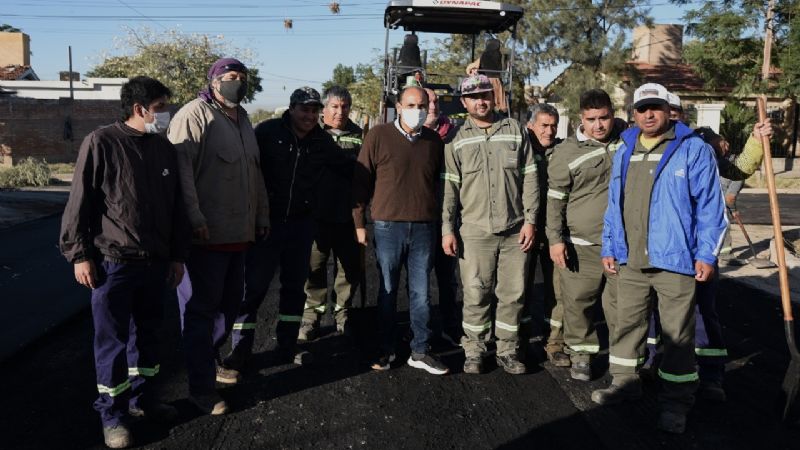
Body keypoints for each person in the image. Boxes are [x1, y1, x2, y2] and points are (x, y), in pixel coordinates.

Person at [60, 76, 190, 448]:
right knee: (112, 342)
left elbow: (176, 207)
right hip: (112, 264)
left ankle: (143, 400)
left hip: (155, 263)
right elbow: (79, 204)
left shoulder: (163, 148)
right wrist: (80, 255)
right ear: (140, 109)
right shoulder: (101, 142)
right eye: (162, 107)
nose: (166, 114)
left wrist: (178, 256)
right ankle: (112, 416)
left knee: (148, 337)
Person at [594, 83, 727, 434]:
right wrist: (610, 246)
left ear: (669, 110)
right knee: (627, 327)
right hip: (630, 260)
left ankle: (676, 402)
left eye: (655, 107)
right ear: (633, 113)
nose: (648, 114)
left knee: (678, 336)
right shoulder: (624, 150)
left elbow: (711, 208)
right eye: (642, 108)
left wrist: (706, 254)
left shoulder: (693, 150)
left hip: (676, 261)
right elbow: (613, 206)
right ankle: (625, 383)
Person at [168, 58, 269, 415]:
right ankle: (200, 388)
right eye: (229, 77)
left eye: (241, 78)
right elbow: (181, 175)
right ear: (213, 81)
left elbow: (254, 175)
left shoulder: (243, 120)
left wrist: (261, 216)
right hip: (204, 238)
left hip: (238, 235)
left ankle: (208, 362)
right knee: (200, 312)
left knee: (228, 309)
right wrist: (194, 217)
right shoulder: (193, 116)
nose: (236, 83)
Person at [223, 87, 347, 372]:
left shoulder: (322, 142)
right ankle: (240, 349)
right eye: (304, 109)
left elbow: (348, 168)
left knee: (294, 289)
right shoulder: (266, 132)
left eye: (315, 110)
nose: (310, 115)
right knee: (252, 289)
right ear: (291, 109)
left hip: (302, 226)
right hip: (266, 225)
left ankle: (287, 345)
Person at [441, 74, 538, 374]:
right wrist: (447, 228)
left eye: (485, 94)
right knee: (475, 293)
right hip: (474, 232)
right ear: (464, 102)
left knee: (513, 294)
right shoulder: (455, 140)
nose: (481, 101)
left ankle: (508, 350)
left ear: (494, 96)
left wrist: (531, 220)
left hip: (514, 231)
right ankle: (475, 350)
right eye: (474, 97)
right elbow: (449, 189)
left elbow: (531, 178)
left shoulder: (516, 131)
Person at [352, 85, 449, 375]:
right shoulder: (378, 136)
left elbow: (439, 185)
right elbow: (361, 182)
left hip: (423, 228)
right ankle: (387, 347)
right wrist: (359, 223)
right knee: (388, 289)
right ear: (398, 105)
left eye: (422, 105)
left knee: (420, 293)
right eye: (411, 105)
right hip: (387, 227)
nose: (417, 111)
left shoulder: (434, 141)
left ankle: (420, 349)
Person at [546, 89, 624, 381]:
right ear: (582, 118)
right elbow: (555, 201)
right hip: (581, 245)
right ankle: (581, 354)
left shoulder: (627, 141)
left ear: (612, 115)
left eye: (604, 118)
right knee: (578, 303)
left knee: (621, 307)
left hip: (620, 244)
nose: (599, 125)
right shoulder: (565, 153)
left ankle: (623, 362)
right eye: (591, 119)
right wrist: (555, 240)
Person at [299, 85, 363, 341]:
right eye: (334, 106)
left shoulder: (360, 135)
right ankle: (311, 319)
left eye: (345, 106)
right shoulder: (311, 135)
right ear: (324, 109)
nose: (340, 112)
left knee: (348, 271)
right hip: (316, 218)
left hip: (348, 218)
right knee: (314, 271)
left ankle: (343, 316)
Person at [521, 103, 568, 367]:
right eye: (544, 125)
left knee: (557, 291)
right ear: (531, 125)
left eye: (553, 125)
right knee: (520, 289)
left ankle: (555, 342)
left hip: (555, 233)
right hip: (526, 230)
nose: (549, 131)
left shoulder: (563, 152)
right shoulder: (519, 149)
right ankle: (522, 339)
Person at [423, 87, 460, 345]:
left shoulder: (455, 135)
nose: (433, 106)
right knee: (418, 280)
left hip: (450, 219)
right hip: (418, 220)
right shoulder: (404, 135)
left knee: (448, 279)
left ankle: (450, 325)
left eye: (436, 101)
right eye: (428, 102)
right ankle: (421, 329)